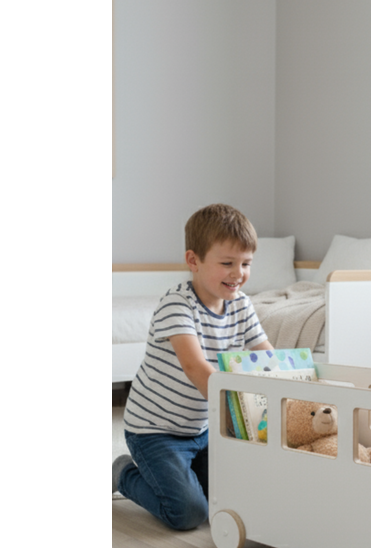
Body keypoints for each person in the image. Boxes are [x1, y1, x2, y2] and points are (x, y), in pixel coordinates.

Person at [112, 204, 274, 530]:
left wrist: (290, 387)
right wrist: (238, 409)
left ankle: (182, 475)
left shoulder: (241, 304)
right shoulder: (177, 304)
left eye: (246, 263)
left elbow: (266, 355)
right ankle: (122, 472)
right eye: (227, 263)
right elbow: (194, 366)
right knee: (188, 513)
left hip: (202, 429)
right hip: (155, 431)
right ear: (193, 261)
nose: (238, 273)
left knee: (227, 498)